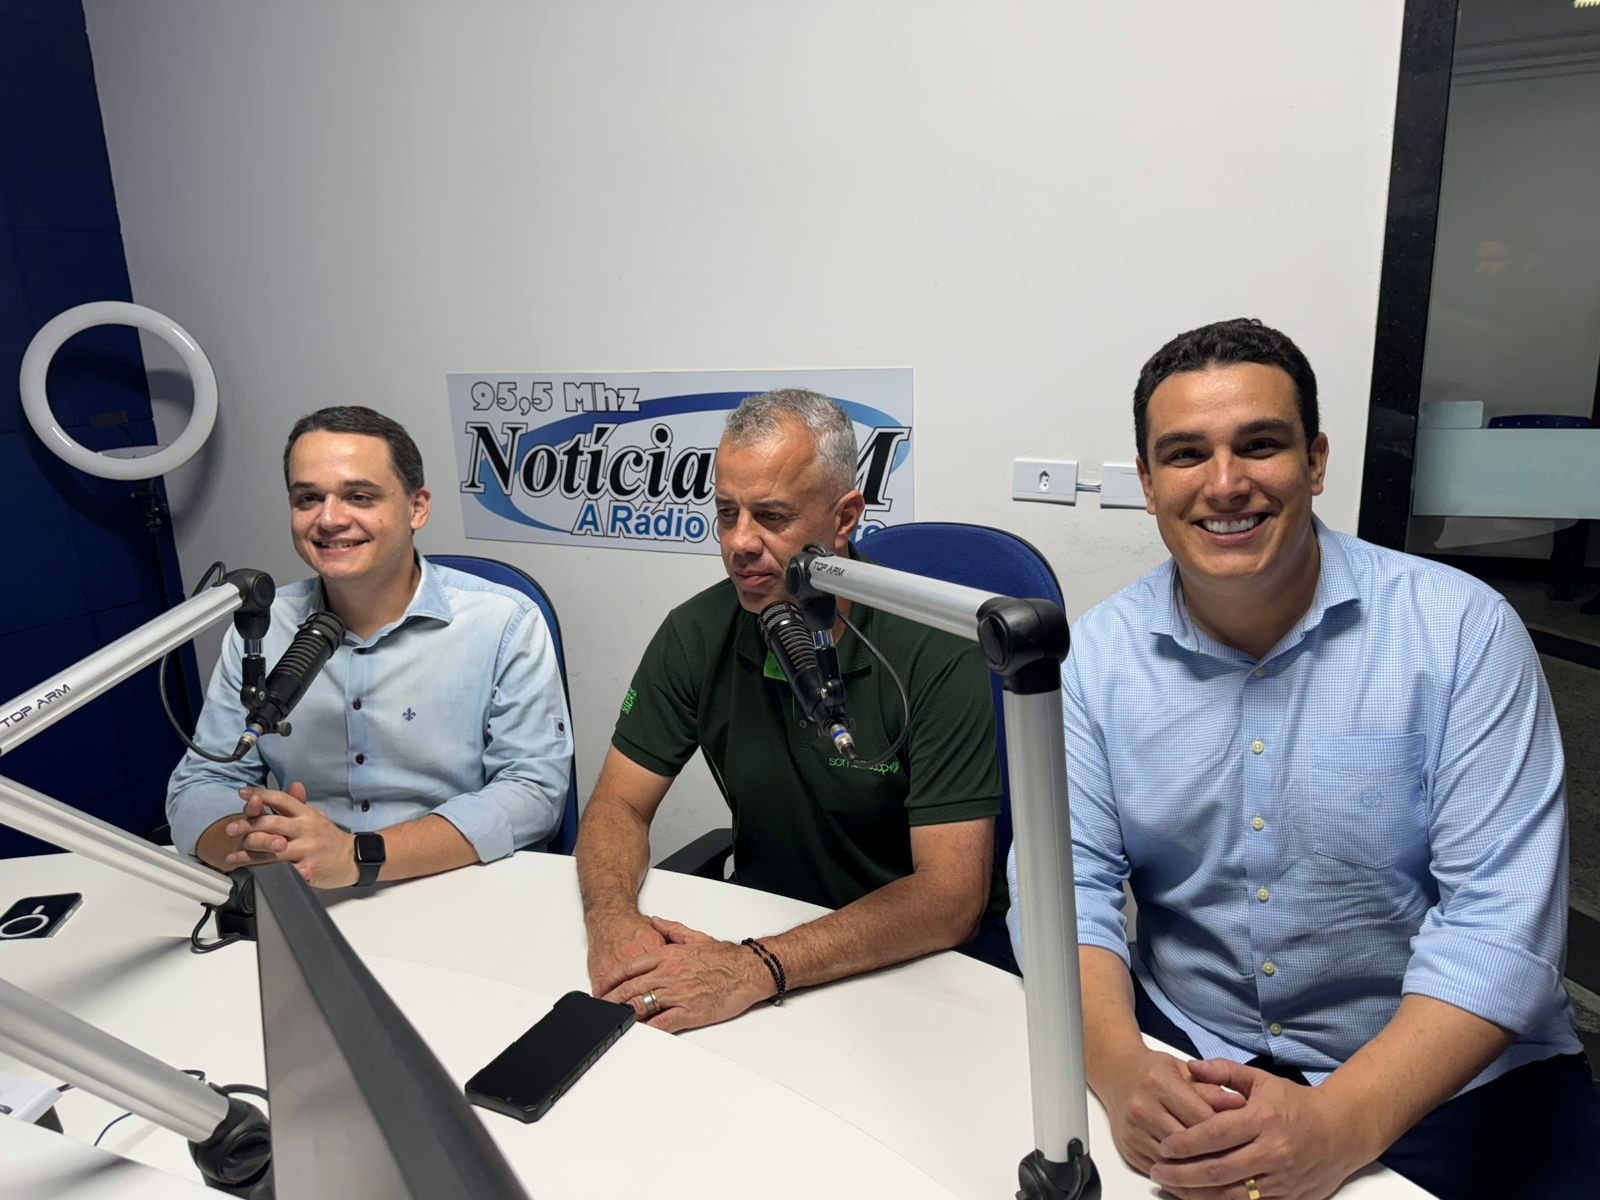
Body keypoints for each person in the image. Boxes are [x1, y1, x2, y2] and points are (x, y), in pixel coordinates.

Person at [1009, 318, 1598, 1199]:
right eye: (1185, 454)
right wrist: (1121, 1069)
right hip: (1195, 1051)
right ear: (1148, 483)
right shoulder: (1094, 658)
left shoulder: (1463, 632)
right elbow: (1063, 891)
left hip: (1449, 1075)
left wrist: (1338, 1124)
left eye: (1260, 445)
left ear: (1316, 462)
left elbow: (1501, 932)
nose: (1225, 483)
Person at [576, 388, 1006, 1033]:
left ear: (844, 517)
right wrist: (612, 920)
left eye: (771, 517)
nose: (739, 542)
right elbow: (619, 804)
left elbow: (951, 898)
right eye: (726, 513)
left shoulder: (937, 647)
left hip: (913, 966)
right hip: (762, 936)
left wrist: (756, 968)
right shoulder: (696, 632)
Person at [166, 406, 572, 888]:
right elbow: (202, 783)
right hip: (307, 885)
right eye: (308, 499)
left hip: (455, 882)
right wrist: (255, 845)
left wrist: (357, 856)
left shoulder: (503, 621)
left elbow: (532, 793)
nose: (329, 519)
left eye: (359, 496)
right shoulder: (261, 630)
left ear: (417, 508)